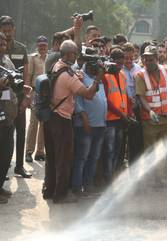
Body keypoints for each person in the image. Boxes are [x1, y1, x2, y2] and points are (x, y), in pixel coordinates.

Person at [43, 40, 99, 203]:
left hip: (50, 117)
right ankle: (60, 195)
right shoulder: (68, 74)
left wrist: (77, 77)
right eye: (75, 53)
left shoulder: (56, 66)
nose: (77, 56)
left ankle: (49, 190)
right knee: (64, 159)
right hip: (62, 120)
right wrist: (97, 80)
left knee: (52, 157)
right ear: (68, 54)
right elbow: (88, 94)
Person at [135, 45, 167, 188]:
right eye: (145, 60)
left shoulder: (165, 72)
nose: (147, 62)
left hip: (165, 119)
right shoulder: (140, 75)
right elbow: (141, 97)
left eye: (150, 60)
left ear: (157, 59)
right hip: (150, 121)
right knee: (151, 151)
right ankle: (151, 180)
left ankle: (163, 179)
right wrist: (150, 111)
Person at [71, 55, 107, 196]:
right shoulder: (80, 77)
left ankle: (88, 185)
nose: (96, 68)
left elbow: (102, 99)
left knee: (94, 157)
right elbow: (78, 102)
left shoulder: (99, 80)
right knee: (82, 158)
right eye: (93, 65)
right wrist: (84, 119)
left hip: (99, 125)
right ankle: (76, 186)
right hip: (85, 126)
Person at [0, 15, 31, 178]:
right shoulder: (0, 47)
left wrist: (25, 98)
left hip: (18, 94)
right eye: (4, 31)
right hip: (3, 96)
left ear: (14, 29)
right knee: (3, 132)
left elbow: (26, 73)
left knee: (20, 130)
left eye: (9, 30)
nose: (7, 33)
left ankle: (19, 166)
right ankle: (2, 169)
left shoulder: (21, 48)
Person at [102, 48, 131, 184]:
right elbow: (106, 101)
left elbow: (125, 97)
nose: (120, 66)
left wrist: (128, 114)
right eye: (118, 63)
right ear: (111, 61)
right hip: (110, 121)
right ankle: (107, 178)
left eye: (122, 63)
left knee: (118, 150)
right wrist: (121, 114)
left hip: (122, 120)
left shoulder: (123, 76)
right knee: (109, 150)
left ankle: (113, 175)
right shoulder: (105, 77)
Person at [0, 32, 17, 204]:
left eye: (4, 43)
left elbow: (11, 83)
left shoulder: (7, 61)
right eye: (0, 43)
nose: (3, 46)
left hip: (8, 115)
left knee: (6, 154)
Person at [25, 36, 48, 163]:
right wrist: (28, 95)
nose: (42, 47)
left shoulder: (49, 58)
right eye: (40, 45)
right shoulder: (33, 58)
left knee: (44, 123)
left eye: (44, 45)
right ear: (37, 46)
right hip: (35, 92)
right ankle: (29, 151)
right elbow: (28, 76)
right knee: (33, 123)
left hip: (46, 95)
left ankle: (40, 151)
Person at [122, 43, 143, 166]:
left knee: (135, 140)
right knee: (121, 140)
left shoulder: (139, 69)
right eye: (126, 58)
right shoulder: (119, 70)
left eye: (131, 58)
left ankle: (133, 165)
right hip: (122, 109)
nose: (129, 61)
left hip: (136, 109)